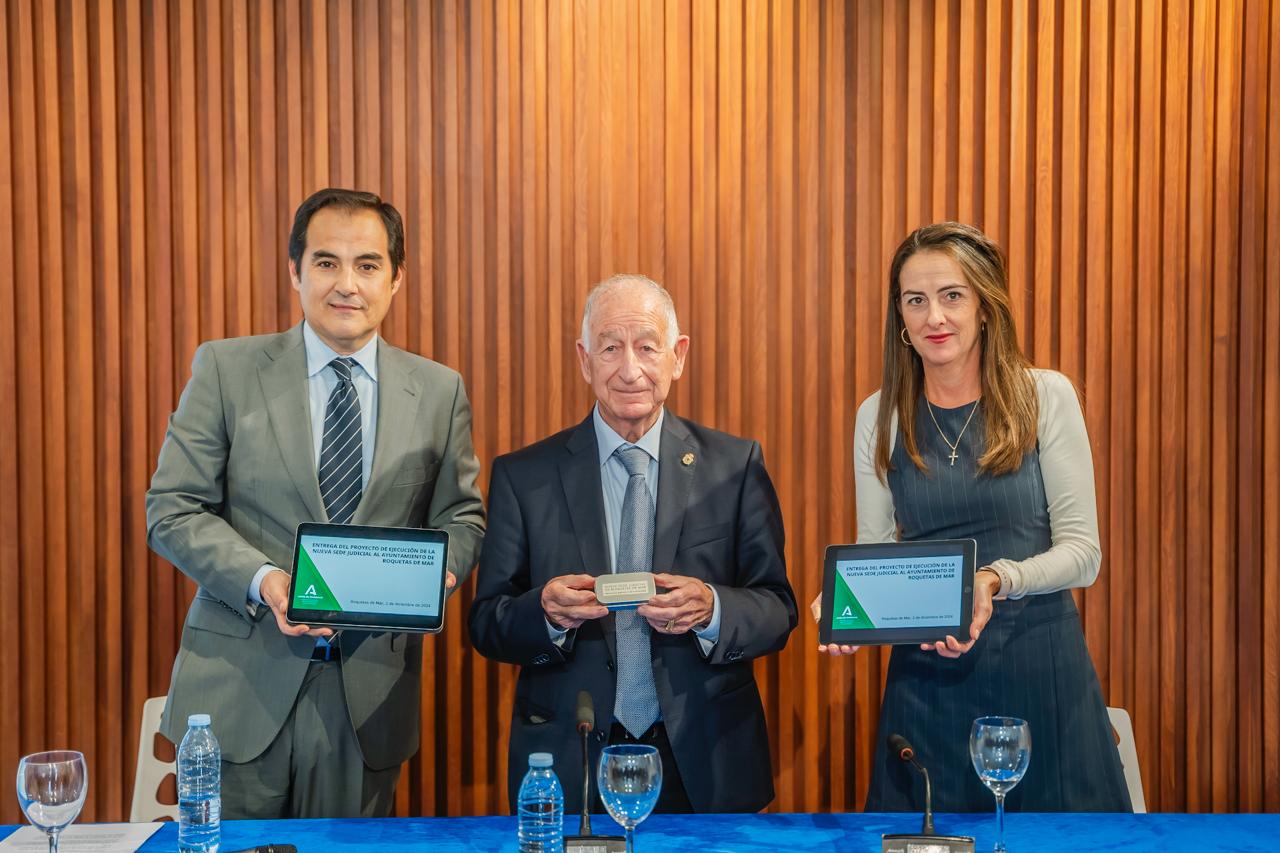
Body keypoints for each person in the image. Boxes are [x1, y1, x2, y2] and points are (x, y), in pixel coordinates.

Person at [146, 188, 486, 819]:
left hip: (367, 696)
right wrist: (265, 580)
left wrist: (435, 573)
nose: (346, 284)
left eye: (367, 265)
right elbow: (173, 508)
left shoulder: (439, 391)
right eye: (326, 262)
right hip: (240, 683)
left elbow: (461, 517)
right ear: (295, 271)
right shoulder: (226, 369)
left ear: (396, 278)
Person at [815, 222, 1131, 812]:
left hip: (1041, 671)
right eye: (915, 300)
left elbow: (1083, 554)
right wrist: (846, 604)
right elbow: (876, 552)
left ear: (985, 306)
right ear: (900, 317)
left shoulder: (1045, 395)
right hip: (926, 681)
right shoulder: (879, 416)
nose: (934, 316)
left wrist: (993, 579)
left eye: (952, 296)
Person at [469, 274, 797, 814]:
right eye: (610, 348)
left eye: (647, 347)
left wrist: (712, 608)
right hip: (571, 753)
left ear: (678, 355)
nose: (629, 369)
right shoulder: (523, 476)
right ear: (584, 360)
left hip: (706, 756)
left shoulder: (734, 467)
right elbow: (487, 623)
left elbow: (777, 608)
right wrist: (545, 614)